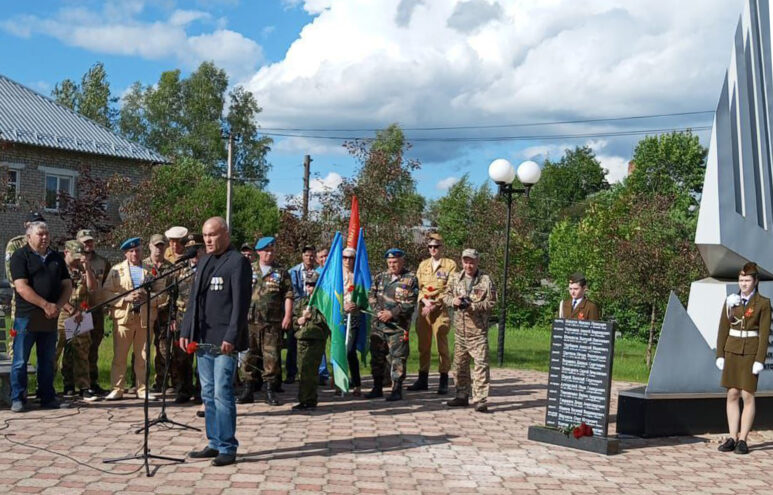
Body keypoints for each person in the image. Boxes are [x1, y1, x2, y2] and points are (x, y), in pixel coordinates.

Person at [180, 217, 251, 467]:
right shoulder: (205, 261)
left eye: (212, 234)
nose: (208, 240)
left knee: (222, 392)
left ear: (225, 234)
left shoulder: (238, 262)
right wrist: (186, 329)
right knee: (208, 393)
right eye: (205, 235)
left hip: (223, 342)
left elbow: (240, 305)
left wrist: (231, 336)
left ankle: (228, 447)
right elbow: (194, 300)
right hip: (203, 339)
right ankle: (214, 442)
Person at [9, 221, 72, 412]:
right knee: (20, 360)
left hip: (50, 317)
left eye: (47, 234)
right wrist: (45, 305)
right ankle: (18, 398)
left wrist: (58, 306)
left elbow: (67, 285)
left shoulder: (56, 257)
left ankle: (47, 397)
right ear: (29, 237)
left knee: (47, 359)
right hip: (27, 317)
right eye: (40, 234)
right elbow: (21, 287)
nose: (45, 237)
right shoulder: (20, 256)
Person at [716, 262, 771, 455]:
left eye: (747, 280)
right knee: (732, 393)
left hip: (750, 353)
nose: (743, 283)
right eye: (741, 280)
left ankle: (743, 440)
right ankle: (732, 437)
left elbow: (764, 334)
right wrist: (720, 354)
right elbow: (724, 327)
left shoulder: (763, 303)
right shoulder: (731, 300)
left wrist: (760, 359)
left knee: (747, 395)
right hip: (732, 350)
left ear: (755, 281)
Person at [101, 237, 163, 400]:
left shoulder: (151, 270)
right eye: (131, 251)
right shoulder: (116, 270)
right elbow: (106, 293)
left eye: (137, 250)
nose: (135, 254)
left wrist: (148, 296)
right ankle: (117, 388)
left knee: (143, 355)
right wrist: (125, 298)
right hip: (123, 318)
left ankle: (142, 388)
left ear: (142, 251)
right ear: (125, 253)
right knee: (120, 355)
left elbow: (162, 294)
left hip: (144, 317)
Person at [239, 237, 293, 406]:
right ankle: (247, 389)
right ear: (258, 252)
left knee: (272, 357)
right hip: (250, 321)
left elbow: (289, 295)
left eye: (272, 250)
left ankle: (270, 390)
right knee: (248, 356)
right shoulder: (248, 269)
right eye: (266, 251)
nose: (269, 254)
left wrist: (288, 315)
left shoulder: (281, 272)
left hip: (272, 322)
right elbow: (239, 293)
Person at [443, 249, 497, 413]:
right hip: (460, 332)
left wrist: (474, 306)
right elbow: (444, 297)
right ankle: (461, 395)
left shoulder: (485, 281)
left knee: (480, 366)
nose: (469, 265)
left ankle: (480, 400)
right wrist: (454, 301)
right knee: (459, 366)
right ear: (462, 262)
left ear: (477, 262)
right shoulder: (455, 278)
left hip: (478, 332)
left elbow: (492, 303)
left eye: (472, 262)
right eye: (466, 262)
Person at [365, 248, 418, 401]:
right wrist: (379, 312)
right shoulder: (380, 277)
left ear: (402, 261)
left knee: (398, 358)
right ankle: (377, 387)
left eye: (395, 262)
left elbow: (410, 303)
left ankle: (396, 389)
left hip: (397, 327)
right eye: (389, 262)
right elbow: (371, 295)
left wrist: (391, 313)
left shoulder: (410, 278)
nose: (392, 265)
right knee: (377, 357)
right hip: (379, 325)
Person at [411, 233, 457, 394]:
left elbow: (449, 289)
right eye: (430, 247)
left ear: (441, 247)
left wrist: (434, 304)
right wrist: (424, 301)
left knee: (441, 345)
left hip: (440, 309)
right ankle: (422, 378)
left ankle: (443, 379)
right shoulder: (423, 265)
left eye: (436, 246)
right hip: (424, 308)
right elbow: (416, 287)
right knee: (423, 345)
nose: (433, 249)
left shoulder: (450, 264)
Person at [54, 240, 99, 401]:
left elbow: (93, 288)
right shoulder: (58, 268)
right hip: (62, 313)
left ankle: (83, 386)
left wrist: (87, 268)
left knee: (82, 351)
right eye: (75, 255)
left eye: (82, 255)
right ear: (66, 252)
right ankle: (47, 387)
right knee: (56, 350)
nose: (79, 259)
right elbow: (54, 293)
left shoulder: (83, 268)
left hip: (82, 314)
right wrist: (70, 309)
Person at [77, 229, 111, 395]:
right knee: (75, 348)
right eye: (84, 241)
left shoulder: (103, 262)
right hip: (78, 311)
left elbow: (107, 285)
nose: (87, 244)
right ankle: (72, 384)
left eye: (90, 241)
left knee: (94, 347)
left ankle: (93, 381)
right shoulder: (72, 260)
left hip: (96, 309)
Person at [174, 233, 205, 408]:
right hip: (182, 319)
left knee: (202, 358)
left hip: (202, 320)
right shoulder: (179, 270)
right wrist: (171, 318)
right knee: (181, 358)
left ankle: (201, 392)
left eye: (197, 249)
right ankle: (183, 390)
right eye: (190, 250)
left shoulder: (208, 269)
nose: (194, 254)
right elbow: (172, 296)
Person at [292, 270, 329, 410]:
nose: (309, 287)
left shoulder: (324, 302)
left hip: (316, 339)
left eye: (313, 284)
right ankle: (304, 399)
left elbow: (325, 320)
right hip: (302, 339)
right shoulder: (303, 302)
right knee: (302, 370)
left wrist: (310, 316)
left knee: (311, 371)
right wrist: (300, 319)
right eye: (307, 284)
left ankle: (310, 399)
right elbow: (295, 320)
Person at [144, 234, 175, 395]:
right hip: (146, 312)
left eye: (162, 246)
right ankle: (140, 382)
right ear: (149, 246)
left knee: (163, 348)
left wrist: (171, 313)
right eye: (156, 245)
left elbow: (173, 292)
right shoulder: (142, 266)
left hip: (164, 313)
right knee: (142, 347)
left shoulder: (170, 268)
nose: (159, 249)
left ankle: (162, 381)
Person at [287, 245, 317, 384]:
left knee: (314, 342)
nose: (309, 258)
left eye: (311, 255)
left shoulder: (319, 273)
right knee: (292, 343)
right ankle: (291, 373)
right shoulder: (293, 272)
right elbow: (290, 293)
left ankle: (314, 373)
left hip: (314, 311)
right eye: (306, 255)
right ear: (302, 256)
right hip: (296, 311)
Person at [342, 247, 362, 395]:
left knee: (350, 350)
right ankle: (339, 382)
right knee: (338, 349)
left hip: (354, 316)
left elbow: (366, 295)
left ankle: (356, 383)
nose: (348, 260)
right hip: (339, 316)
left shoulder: (359, 275)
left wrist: (357, 304)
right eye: (345, 257)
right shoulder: (336, 274)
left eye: (351, 258)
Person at [314, 247, 331, 385]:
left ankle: (340, 374)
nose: (324, 259)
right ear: (317, 259)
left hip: (336, 313)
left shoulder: (337, 272)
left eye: (326, 256)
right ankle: (322, 373)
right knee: (320, 344)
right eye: (321, 257)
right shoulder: (315, 274)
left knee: (339, 344)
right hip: (321, 313)